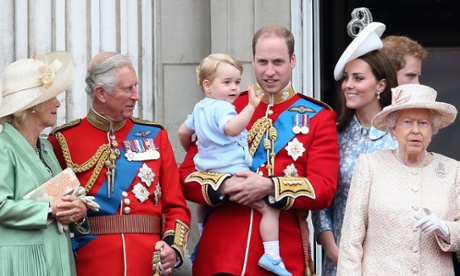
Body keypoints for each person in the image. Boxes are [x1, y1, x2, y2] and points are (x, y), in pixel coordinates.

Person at [179, 25, 339, 276]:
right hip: (220, 253)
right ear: (253, 60)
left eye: (278, 62)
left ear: (293, 60)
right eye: (262, 62)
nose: (269, 71)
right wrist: (224, 186)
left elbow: (324, 188)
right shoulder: (227, 105)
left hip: (280, 256)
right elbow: (187, 175)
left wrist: (269, 186)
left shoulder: (318, 116)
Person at [48, 52, 191, 276]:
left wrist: (172, 247)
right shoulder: (63, 141)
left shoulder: (155, 135)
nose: (137, 96)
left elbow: (176, 206)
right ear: (101, 93)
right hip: (90, 264)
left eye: (136, 86)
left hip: (148, 264)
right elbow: (51, 207)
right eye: (127, 89)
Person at [179, 53, 293, 275]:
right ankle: (272, 255)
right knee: (269, 207)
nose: (233, 88)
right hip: (233, 169)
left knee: (204, 202)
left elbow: (183, 133)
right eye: (227, 82)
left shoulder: (199, 107)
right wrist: (250, 107)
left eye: (237, 82)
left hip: (207, 168)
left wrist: (195, 152)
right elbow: (232, 129)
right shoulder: (224, 108)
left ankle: (202, 232)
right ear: (207, 85)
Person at [337, 83, 460, 275]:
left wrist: (445, 229)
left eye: (423, 123)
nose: (415, 130)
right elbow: (350, 242)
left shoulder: (453, 170)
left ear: (432, 129)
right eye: (407, 122)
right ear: (393, 127)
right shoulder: (370, 165)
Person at [311, 21, 399, 276]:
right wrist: (330, 246)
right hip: (339, 260)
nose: (347, 84)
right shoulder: (332, 135)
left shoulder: (399, 137)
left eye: (358, 78)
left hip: (389, 261)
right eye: (347, 78)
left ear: (380, 85)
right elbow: (321, 198)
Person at [0, 52, 88, 275]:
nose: (58, 103)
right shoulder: (3, 147)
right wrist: (50, 208)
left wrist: (77, 210)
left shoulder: (46, 147)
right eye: (52, 96)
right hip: (21, 262)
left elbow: (59, 196)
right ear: (32, 104)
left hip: (56, 257)